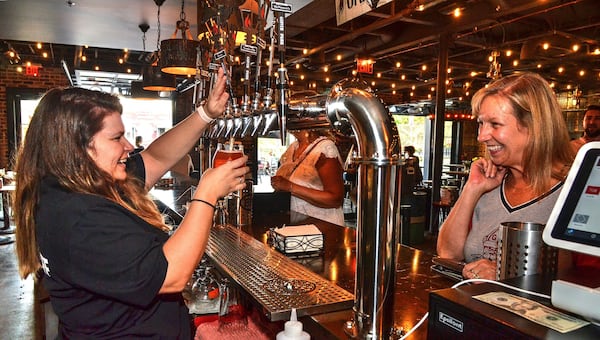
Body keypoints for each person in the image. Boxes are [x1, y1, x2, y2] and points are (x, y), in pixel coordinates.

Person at [14, 68, 249, 338]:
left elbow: (156, 158)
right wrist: (206, 194)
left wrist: (205, 114)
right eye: (116, 138)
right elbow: (171, 275)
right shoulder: (79, 218)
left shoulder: (82, 185)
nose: (128, 146)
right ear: (77, 148)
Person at [436, 72, 574, 281]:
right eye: (481, 124)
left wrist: (505, 272)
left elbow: (578, 278)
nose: (482, 136)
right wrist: (472, 189)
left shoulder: (574, 193)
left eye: (495, 124)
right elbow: (448, 254)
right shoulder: (489, 185)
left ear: (534, 126)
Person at [271, 129, 345, 226]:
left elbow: (335, 199)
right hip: (297, 223)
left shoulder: (324, 147)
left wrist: (290, 187)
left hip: (322, 225)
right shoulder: (293, 147)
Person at [569, 104, 600, 268]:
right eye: (589, 118)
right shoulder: (570, 148)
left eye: (597, 118)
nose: (592, 122)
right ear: (583, 122)